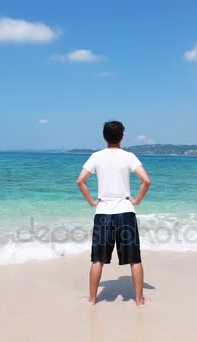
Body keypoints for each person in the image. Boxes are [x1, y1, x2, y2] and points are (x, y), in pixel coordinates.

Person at [76, 120, 151, 306]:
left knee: (97, 260)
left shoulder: (96, 157)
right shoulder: (129, 157)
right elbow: (146, 181)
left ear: (104, 136)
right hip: (125, 212)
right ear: (122, 136)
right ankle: (139, 300)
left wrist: (92, 201)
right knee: (135, 259)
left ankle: (92, 299)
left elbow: (80, 181)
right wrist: (137, 200)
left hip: (103, 214)